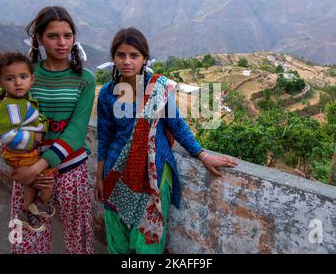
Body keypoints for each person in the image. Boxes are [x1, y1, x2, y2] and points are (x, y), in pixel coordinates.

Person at [95, 27, 237, 254]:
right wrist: (100, 174)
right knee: (117, 240)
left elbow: (177, 125)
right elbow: (105, 136)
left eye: (134, 55)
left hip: (154, 173)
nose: (127, 61)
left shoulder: (157, 90)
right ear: (113, 57)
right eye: (121, 55)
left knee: (147, 244)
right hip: (116, 173)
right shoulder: (108, 93)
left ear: (144, 58)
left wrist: (202, 154)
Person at [10, 6, 95, 254]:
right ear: (39, 39)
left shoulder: (84, 79)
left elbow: (76, 131)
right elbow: (10, 119)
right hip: (27, 168)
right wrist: (19, 167)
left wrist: (37, 168)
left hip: (69, 169)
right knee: (27, 233)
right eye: (53, 36)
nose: (62, 43)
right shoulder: (25, 75)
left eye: (67, 36)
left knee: (78, 234)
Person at [0, 51, 56, 233]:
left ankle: (25, 212)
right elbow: (1, 131)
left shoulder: (19, 100)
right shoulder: (9, 106)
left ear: (32, 79)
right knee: (47, 179)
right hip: (20, 153)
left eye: (23, 77)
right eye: (10, 78)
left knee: (31, 183)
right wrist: (33, 139)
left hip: (20, 154)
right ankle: (40, 206)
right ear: (0, 82)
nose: (18, 83)